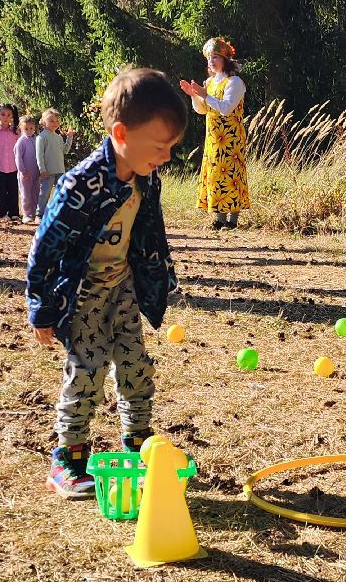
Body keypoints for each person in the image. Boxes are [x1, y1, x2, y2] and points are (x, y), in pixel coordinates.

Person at [26, 68, 186, 498]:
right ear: (120, 133)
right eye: (159, 146)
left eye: (171, 147)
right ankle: (68, 459)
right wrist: (41, 308)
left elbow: (151, 229)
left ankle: (138, 451)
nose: (166, 156)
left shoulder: (145, 175)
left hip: (125, 289)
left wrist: (159, 274)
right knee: (87, 372)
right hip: (83, 297)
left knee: (136, 368)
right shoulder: (80, 185)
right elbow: (45, 249)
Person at [180, 36, 249, 229]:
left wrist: (205, 95)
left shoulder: (234, 82)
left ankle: (232, 221)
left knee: (232, 175)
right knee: (216, 175)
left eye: (216, 56)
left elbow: (226, 108)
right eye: (209, 57)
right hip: (213, 137)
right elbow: (202, 110)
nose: (211, 61)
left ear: (225, 59)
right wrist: (195, 96)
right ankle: (219, 219)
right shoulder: (209, 82)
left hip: (231, 138)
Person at [33, 107, 68, 222]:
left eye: (57, 121)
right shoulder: (41, 137)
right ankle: (39, 214)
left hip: (60, 170)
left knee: (60, 193)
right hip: (48, 171)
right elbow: (39, 155)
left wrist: (70, 137)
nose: (55, 123)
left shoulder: (58, 137)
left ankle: (57, 213)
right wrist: (42, 169)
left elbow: (65, 150)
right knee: (44, 194)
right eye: (51, 120)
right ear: (44, 122)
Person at [0, 103, 21, 221]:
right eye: (3, 114)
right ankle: (1, 213)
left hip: (13, 166)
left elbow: (20, 147)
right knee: (0, 191)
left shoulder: (16, 132)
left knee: (13, 190)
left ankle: (14, 213)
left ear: (12, 116)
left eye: (8, 115)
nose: (6, 117)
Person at [14, 114, 40, 224]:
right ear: (21, 128)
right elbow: (18, 157)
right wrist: (22, 171)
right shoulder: (21, 142)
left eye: (31, 128)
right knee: (26, 194)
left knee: (35, 192)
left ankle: (35, 213)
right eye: (26, 129)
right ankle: (27, 214)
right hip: (25, 173)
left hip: (36, 172)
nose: (29, 131)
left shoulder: (37, 139)